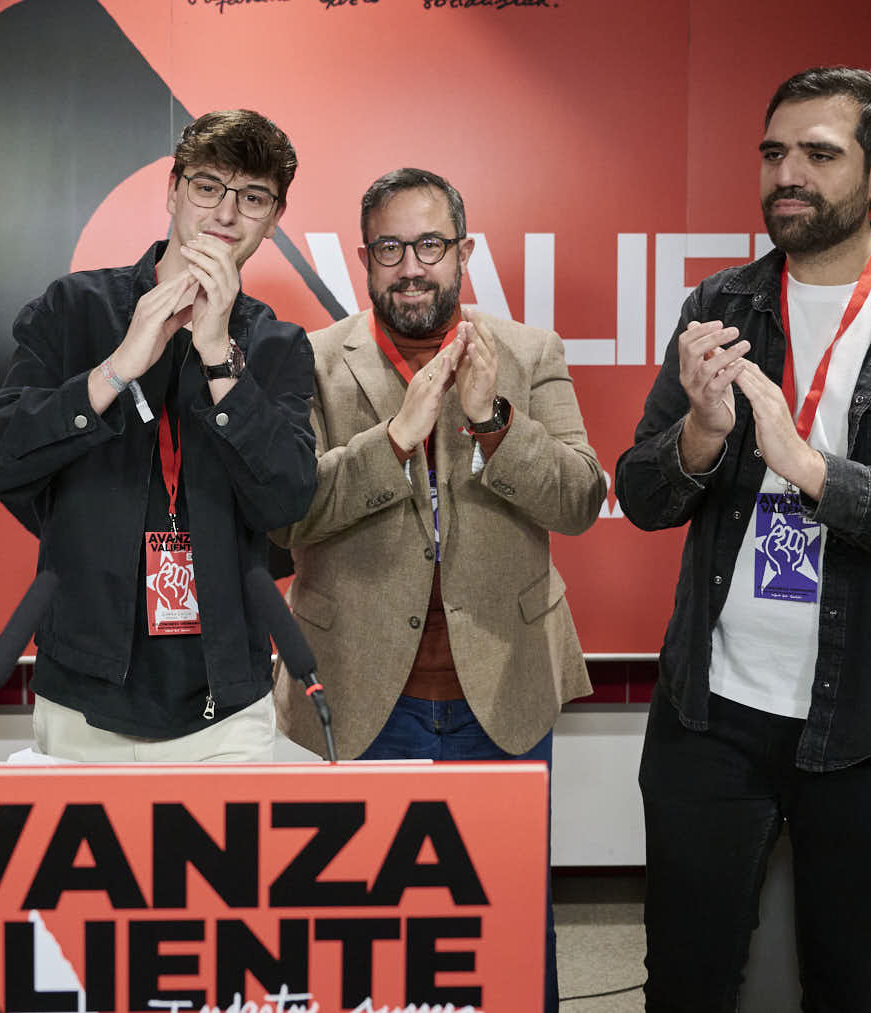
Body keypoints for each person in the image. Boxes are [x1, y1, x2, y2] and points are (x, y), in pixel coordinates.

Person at [613, 68, 871, 1010]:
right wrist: (702, 436)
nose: (787, 174)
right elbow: (641, 494)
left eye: (818, 153)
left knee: (849, 983)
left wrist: (813, 471)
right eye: (773, 153)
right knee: (684, 978)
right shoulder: (718, 303)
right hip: (709, 716)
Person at [272, 167, 603, 1012]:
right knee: (359, 932)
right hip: (355, 692)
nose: (411, 267)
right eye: (391, 247)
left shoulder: (529, 353)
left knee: (508, 926)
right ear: (364, 258)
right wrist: (393, 440)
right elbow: (283, 518)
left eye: (430, 245)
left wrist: (494, 420)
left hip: (504, 687)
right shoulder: (309, 360)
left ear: (463, 252)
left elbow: (579, 499)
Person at [0, 110, 316, 762]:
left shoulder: (276, 344)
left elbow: (287, 501)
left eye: (254, 198)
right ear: (174, 190)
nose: (227, 213)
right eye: (209, 187)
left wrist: (219, 362)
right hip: (83, 693)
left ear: (273, 218)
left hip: (225, 703)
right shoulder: (75, 309)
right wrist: (116, 368)